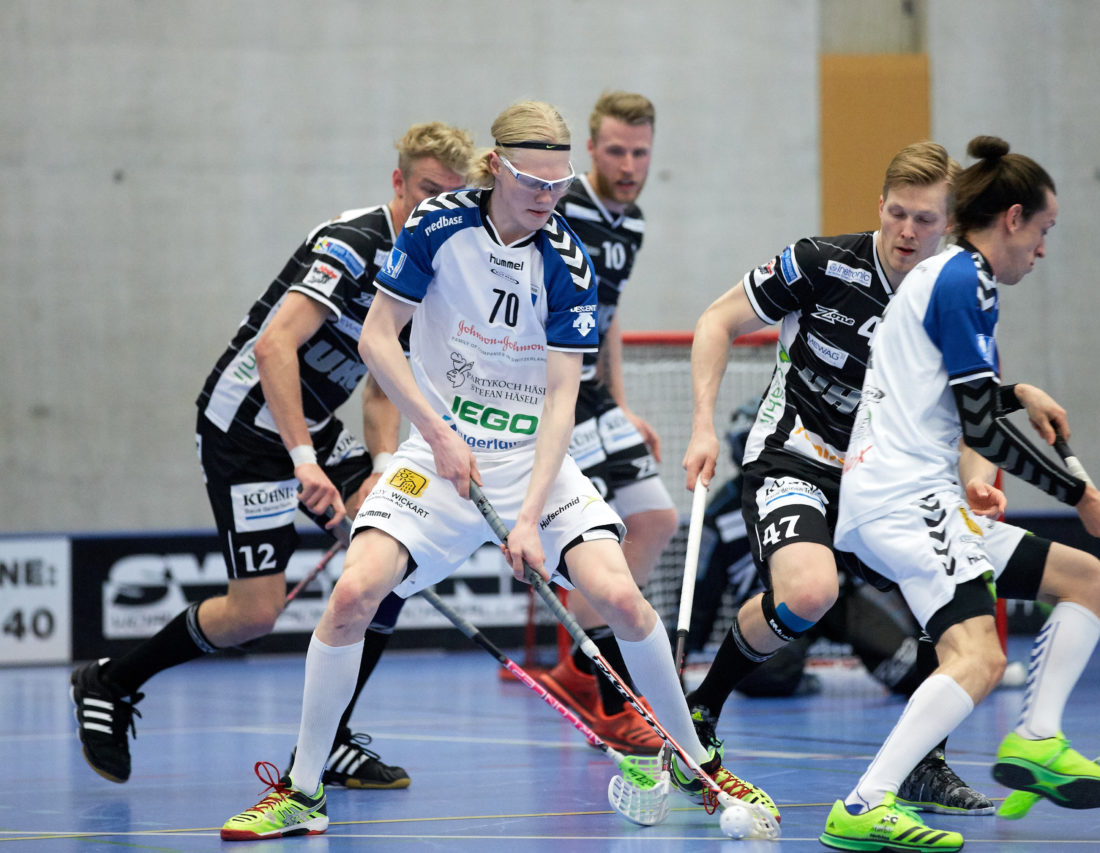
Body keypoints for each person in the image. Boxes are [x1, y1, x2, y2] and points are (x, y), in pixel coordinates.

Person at [220, 100, 777, 842]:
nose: (547, 197)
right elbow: (379, 340)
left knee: (619, 594)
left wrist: (526, 514)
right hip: (435, 454)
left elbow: (559, 400)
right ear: (496, 168)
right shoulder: (437, 225)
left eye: (558, 184)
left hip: (532, 461)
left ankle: (697, 760)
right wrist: (436, 432)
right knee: (353, 592)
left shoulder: (569, 259)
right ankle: (303, 789)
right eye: (532, 183)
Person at [69, 122, 474, 789]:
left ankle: (331, 740)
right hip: (250, 432)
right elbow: (273, 347)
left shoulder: (424, 264)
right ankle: (110, 681)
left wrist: (377, 471)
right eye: (426, 193)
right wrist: (304, 462)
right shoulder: (353, 244)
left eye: (450, 200)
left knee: (391, 559)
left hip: (315, 425)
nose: (434, 212)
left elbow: (381, 384)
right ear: (398, 181)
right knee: (254, 613)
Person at [819, 135, 1100, 852]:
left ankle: (1036, 740)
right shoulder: (964, 281)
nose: (1043, 250)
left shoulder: (959, 278)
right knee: (979, 657)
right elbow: (981, 432)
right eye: (1044, 231)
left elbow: (963, 395)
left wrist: (1019, 390)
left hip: (918, 494)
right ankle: (866, 803)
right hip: (903, 495)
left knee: (1087, 581)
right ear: (1012, 218)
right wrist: (1082, 493)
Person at [681, 141, 996, 815]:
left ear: (950, 224)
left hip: (888, 481)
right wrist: (704, 424)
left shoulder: (956, 299)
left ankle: (923, 764)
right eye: (899, 215)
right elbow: (717, 320)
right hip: (794, 455)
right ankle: (702, 709)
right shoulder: (819, 263)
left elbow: (974, 417)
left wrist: (978, 482)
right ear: (880, 207)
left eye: (926, 220)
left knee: (951, 599)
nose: (909, 232)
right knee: (810, 590)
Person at [536, 91, 678, 755]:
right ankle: (613, 702)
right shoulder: (560, 207)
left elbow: (608, 313)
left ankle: (574, 669)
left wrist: (619, 402)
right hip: (542, 391)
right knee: (597, 536)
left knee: (654, 519)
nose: (628, 164)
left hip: (592, 391)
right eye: (616, 150)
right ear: (590, 150)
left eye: (640, 151)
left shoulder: (636, 222)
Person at [688, 402, 925, 700]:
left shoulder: (821, 485)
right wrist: (684, 654)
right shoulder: (719, 513)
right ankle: (719, 699)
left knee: (909, 669)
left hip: (837, 599)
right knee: (763, 676)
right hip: (773, 608)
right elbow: (702, 589)